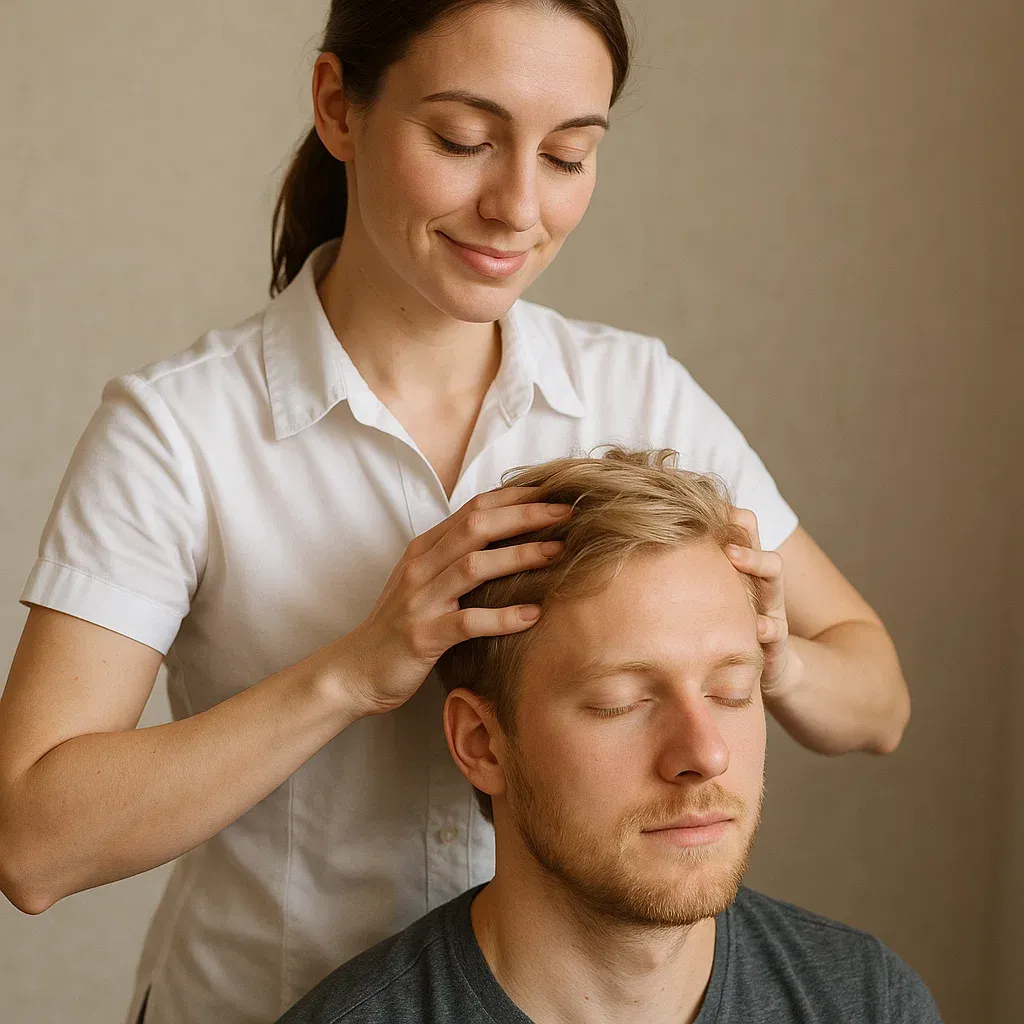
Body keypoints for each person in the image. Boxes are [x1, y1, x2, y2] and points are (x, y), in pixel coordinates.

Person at [0, 3, 910, 1023]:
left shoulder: (635, 394)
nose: (518, 205)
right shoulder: (180, 431)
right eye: (463, 141)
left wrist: (765, 651)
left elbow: (875, 701)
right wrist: (352, 669)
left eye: (567, 155)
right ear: (338, 109)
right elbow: (32, 843)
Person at [277, 449, 940, 1024]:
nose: (705, 753)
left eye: (731, 692)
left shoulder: (867, 1001)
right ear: (482, 743)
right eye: (621, 703)